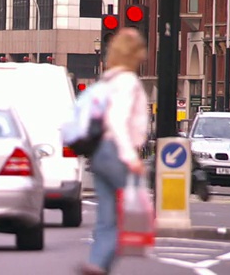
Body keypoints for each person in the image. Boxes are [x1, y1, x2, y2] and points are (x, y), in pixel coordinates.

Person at [80, 28, 149, 275]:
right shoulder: (127, 82)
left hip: (100, 152)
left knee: (107, 216)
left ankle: (97, 264)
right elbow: (117, 120)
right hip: (117, 151)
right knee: (129, 215)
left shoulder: (107, 80)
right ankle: (99, 264)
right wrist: (131, 157)